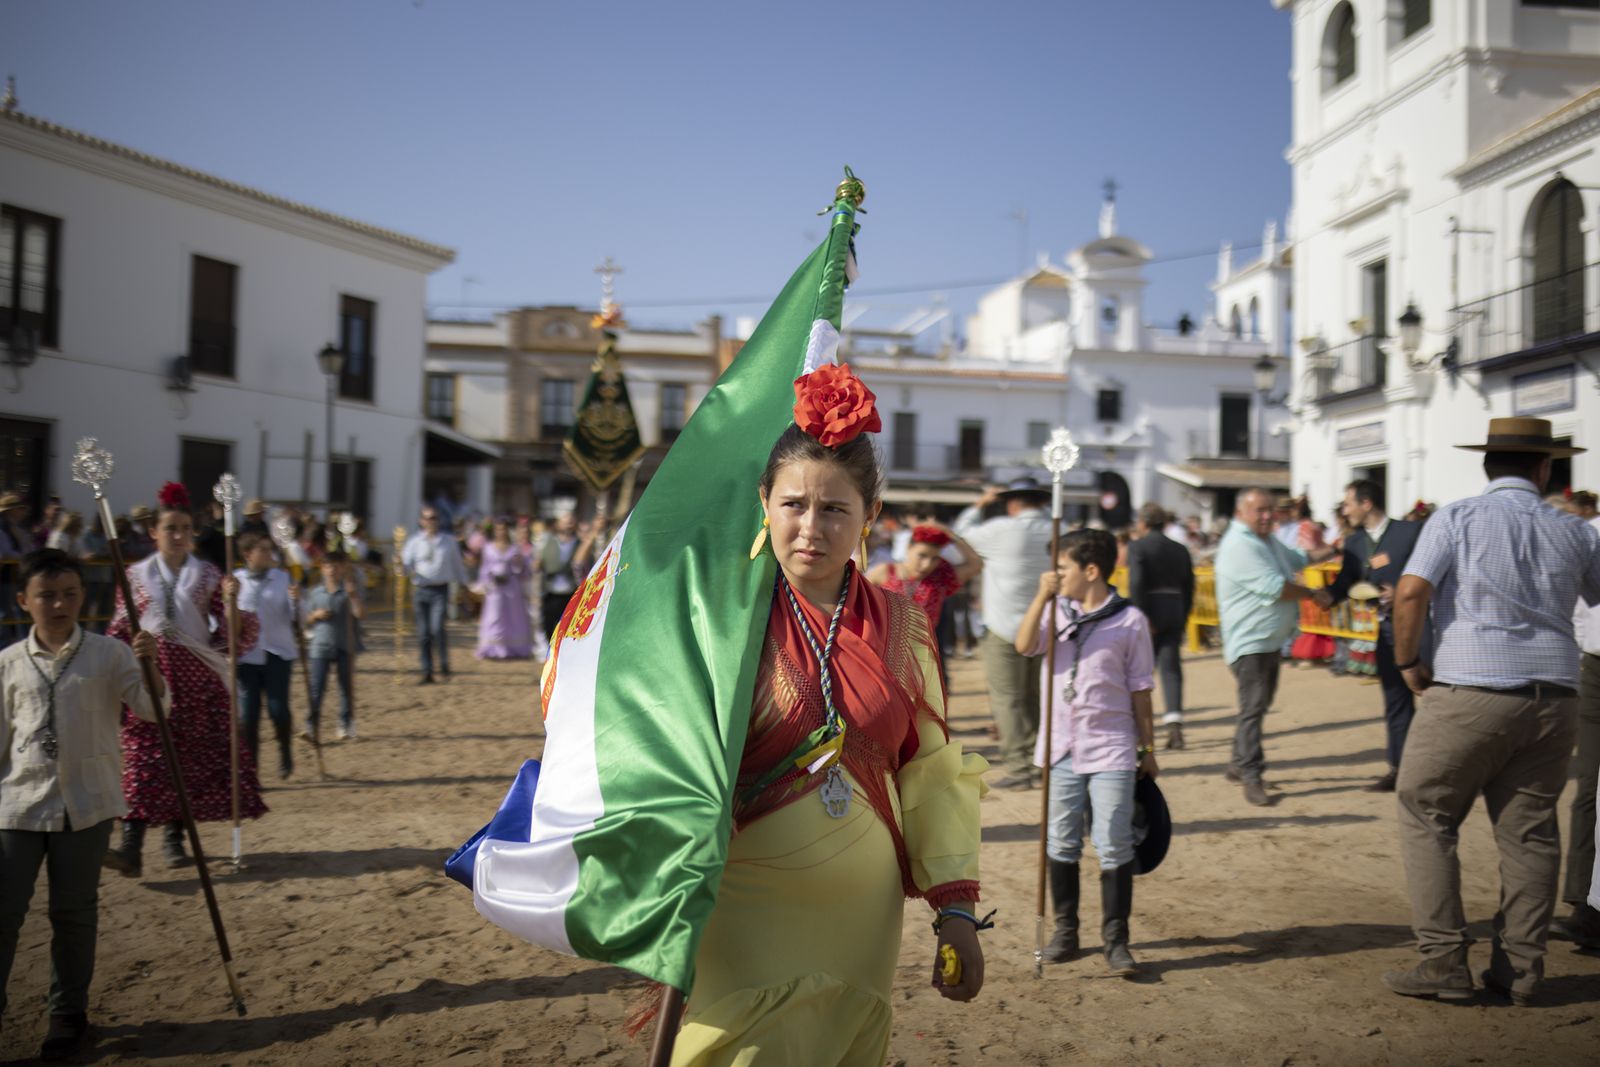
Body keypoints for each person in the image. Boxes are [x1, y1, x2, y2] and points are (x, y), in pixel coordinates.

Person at [675, 366, 986, 1064]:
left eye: (835, 509)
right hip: (738, 903)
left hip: (861, 920)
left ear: (870, 515)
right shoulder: (714, 617)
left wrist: (955, 904)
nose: (810, 527)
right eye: (792, 504)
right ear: (763, 502)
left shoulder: (905, 625)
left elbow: (931, 767)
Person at [1385, 419, 1600, 1006]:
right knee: (1531, 835)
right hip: (1555, 695)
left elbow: (1409, 592)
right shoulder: (1577, 531)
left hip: (1471, 690)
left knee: (1426, 812)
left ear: (1487, 465)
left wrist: (1408, 662)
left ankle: (1443, 962)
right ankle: (1522, 972)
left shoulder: (1456, 518)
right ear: (1545, 468)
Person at [0, 549, 166, 1061]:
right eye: (47, 595)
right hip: (18, 803)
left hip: (88, 804)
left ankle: (68, 1015)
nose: (59, 604)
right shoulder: (6, 663)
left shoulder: (111, 654)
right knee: (4, 912)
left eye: (70, 593)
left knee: (74, 913)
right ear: (24, 600)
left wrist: (149, 663)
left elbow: (152, 710)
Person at [102, 482, 265, 877]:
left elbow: (228, 635)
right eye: (170, 528)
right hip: (151, 672)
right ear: (154, 532)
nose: (177, 535)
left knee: (187, 759)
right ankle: (131, 844)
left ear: (193, 532)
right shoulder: (134, 574)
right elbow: (122, 626)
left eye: (185, 528)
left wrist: (231, 601)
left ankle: (175, 839)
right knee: (144, 755)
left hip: (196, 675)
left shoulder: (209, 573)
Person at [1016, 528, 1157, 977]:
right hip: (1061, 747)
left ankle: (1116, 941)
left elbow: (1141, 689)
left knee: (1114, 844)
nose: (1054, 575)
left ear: (1090, 570)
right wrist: (1042, 596)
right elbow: (1024, 645)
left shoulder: (1130, 620)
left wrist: (1148, 748)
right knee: (1061, 841)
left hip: (1112, 747)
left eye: (1062, 568)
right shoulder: (1055, 609)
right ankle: (1066, 932)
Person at [1214, 488, 1330, 807]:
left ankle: (1238, 764)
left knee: (1259, 704)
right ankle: (1252, 775)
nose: (1267, 516)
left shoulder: (1266, 540)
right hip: (1250, 641)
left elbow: (1299, 559)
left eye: (1270, 510)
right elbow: (1275, 587)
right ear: (1241, 513)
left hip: (1268, 639)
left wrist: (1336, 547)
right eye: (1259, 511)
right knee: (1253, 708)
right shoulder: (1239, 545)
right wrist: (1313, 594)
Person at [1324, 479, 1424, 792]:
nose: (1345, 510)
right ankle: (1400, 769)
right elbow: (1344, 583)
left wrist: (1404, 592)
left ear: (1366, 504)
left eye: (1348, 504)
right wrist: (1325, 596)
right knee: (1395, 700)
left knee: (1436, 698)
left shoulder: (1410, 532)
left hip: (1424, 629)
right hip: (1386, 631)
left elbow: (1433, 574)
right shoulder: (1354, 543)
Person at [955, 477, 1054, 789]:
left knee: (1008, 700)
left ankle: (1020, 767)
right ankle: (1040, 765)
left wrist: (980, 504)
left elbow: (957, 535)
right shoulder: (1058, 529)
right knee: (1037, 699)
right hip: (1045, 626)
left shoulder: (1000, 530)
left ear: (1012, 503)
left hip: (1003, 627)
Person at [1553, 496, 1600, 949]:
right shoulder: (1590, 534)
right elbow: (1581, 613)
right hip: (1595, 670)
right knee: (1587, 789)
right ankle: (1583, 905)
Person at [1127, 502, 1194, 750]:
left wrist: (1141, 616)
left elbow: (1136, 583)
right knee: (1171, 670)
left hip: (1149, 610)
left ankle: (1136, 730)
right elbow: (1190, 586)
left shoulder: (1138, 547)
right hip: (1175, 609)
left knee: (1140, 672)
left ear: (1143, 522)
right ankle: (1175, 727)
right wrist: (1183, 615)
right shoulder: (1180, 549)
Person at [234, 531, 299, 779]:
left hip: (277, 653)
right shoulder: (236, 581)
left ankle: (285, 749)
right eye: (262, 549)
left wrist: (296, 602)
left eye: (269, 549)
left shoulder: (283, 579)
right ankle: (251, 771)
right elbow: (223, 617)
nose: (268, 553)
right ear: (248, 554)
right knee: (248, 716)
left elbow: (296, 618)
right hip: (247, 657)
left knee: (277, 709)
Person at [866, 522, 982, 632]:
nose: (927, 565)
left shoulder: (941, 577)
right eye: (922, 556)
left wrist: (950, 534)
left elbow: (976, 563)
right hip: (883, 645)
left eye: (934, 558)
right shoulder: (885, 572)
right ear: (909, 548)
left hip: (922, 648)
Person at [401, 506, 469, 684]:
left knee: (437, 628)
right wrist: (400, 566)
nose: (432, 522)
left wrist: (464, 585)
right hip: (421, 589)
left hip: (440, 589)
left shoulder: (448, 541)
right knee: (423, 633)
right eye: (428, 518)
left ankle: (444, 664)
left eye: (434, 518)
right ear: (421, 521)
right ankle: (427, 669)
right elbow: (406, 566)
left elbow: (457, 565)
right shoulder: (414, 542)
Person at [303, 550, 363, 742]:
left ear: (342, 569)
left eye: (335, 567)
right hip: (320, 645)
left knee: (346, 687)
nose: (331, 571)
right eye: (328, 567)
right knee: (317, 687)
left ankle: (346, 723)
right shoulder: (315, 592)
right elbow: (306, 620)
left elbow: (360, 614)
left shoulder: (348, 591)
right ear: (322, 569)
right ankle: (312, 725)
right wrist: (315, 615)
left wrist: (353, 597)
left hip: (344, 644)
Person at [475, 517, 533, 660]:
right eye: (498, 529)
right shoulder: (488, 548)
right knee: (495, 616)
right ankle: (493, 647)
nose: (501, 532)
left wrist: (518, 564)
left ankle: (513, 647)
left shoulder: (514, 548)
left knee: (513, 616)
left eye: (503, 529)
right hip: (495, 587)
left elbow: (523, 570)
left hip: (511, 587)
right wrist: (486, 582)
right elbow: (485, 568)